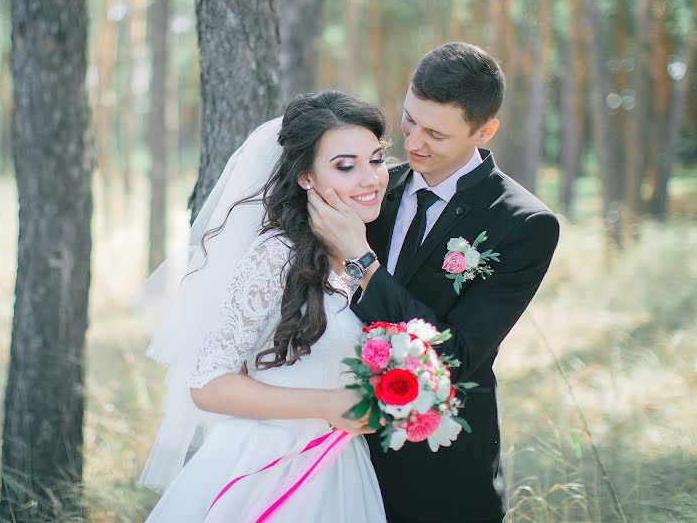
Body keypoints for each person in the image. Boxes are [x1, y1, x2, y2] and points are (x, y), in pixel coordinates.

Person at [309, 42, 561, 523]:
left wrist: (361, 260)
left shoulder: (524, 223)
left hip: (440, 467)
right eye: (408, 120)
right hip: (339, 458)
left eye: (436, 134)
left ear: (484, 131)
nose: (413, 142)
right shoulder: (373, 188)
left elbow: (456, 353)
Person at [139, 90, 389, 522]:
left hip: (343, 468)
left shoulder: (367, 249)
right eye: (346, 166)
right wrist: (327, 404)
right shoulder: (277, 253)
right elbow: (209, 383)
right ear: (306, 178)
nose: (370, 178)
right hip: (265, 461)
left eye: (376, 159)